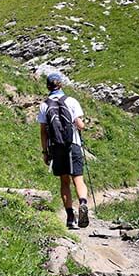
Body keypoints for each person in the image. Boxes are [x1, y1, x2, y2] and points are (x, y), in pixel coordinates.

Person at [37, 72, 90, 229]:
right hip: (72, 144)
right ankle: (83, 202)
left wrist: (45, 152)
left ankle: (70, 217)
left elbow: (43, 132)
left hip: (56, 147)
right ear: (61, 85)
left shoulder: (44, 105)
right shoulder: (71, 101)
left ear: (48, 86)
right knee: (78, 178)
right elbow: (80, 125)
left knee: (64, 181)